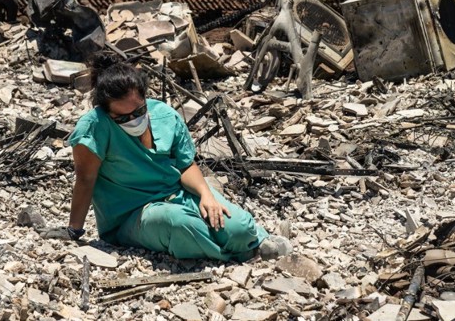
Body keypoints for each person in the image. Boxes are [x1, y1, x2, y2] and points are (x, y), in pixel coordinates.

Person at [64, 53, 289, 261]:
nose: (133, 119)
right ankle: (238, 256)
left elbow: (185, 165)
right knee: (182, 225)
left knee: (238, 227)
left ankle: (245, 242)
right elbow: (85, 179)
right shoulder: (94, 127)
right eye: (123, 117)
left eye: (139, 112)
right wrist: (75, 229)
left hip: (177, 194)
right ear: (107, 111)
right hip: (131, 214)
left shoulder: (164, 115)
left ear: (145, 99)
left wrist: (205, 195)